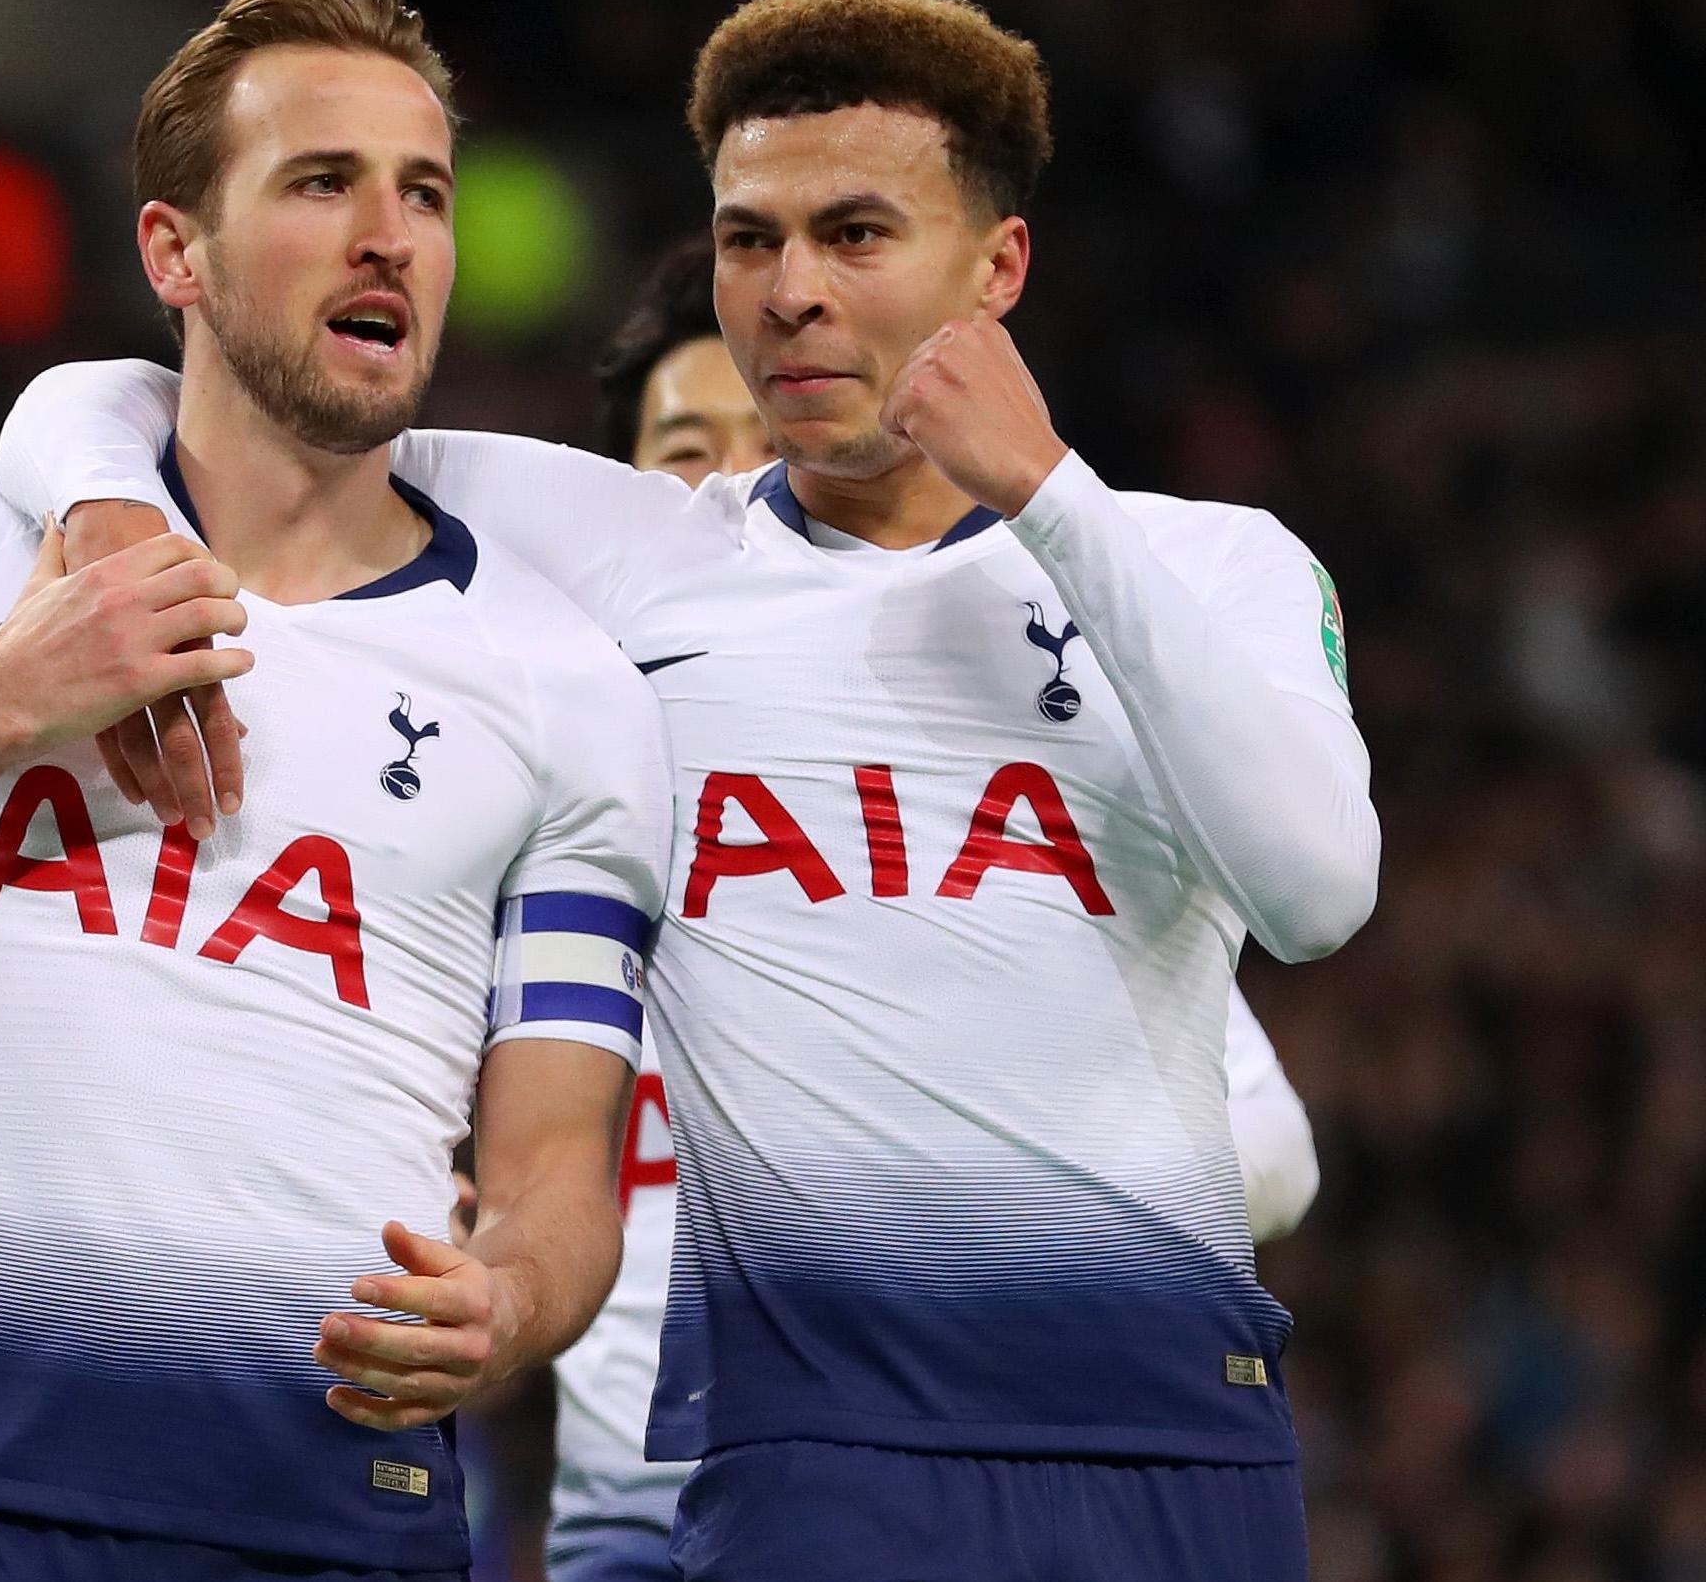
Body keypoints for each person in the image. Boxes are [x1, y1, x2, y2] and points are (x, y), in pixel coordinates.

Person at [0, 0, 1379, 1581]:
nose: (788, 292)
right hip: (817, 1470)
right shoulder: (632, 556)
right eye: (748, 239)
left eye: (854, 234)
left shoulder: (1216, 563)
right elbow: (143, 400)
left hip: (1178, 1444)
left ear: (996, 266)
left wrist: (1053, 496)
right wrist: (108, 510)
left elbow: (1318, 893)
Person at [0, 0, 674, 1582]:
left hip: (331, 1510)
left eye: (425, 193)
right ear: (175, 250)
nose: (392, 234)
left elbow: (553, 1174)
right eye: (323, 182)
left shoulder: (567, 685)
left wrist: (508, 1303)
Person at [540, 238, 1322, 1582]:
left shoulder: (971, 848)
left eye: (760, 436)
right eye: (686, 451)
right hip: (642, 1499)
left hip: (931, 1447)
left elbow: (1273, 1142)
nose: (739, 477)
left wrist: (969, 1178)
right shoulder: (564, 802)